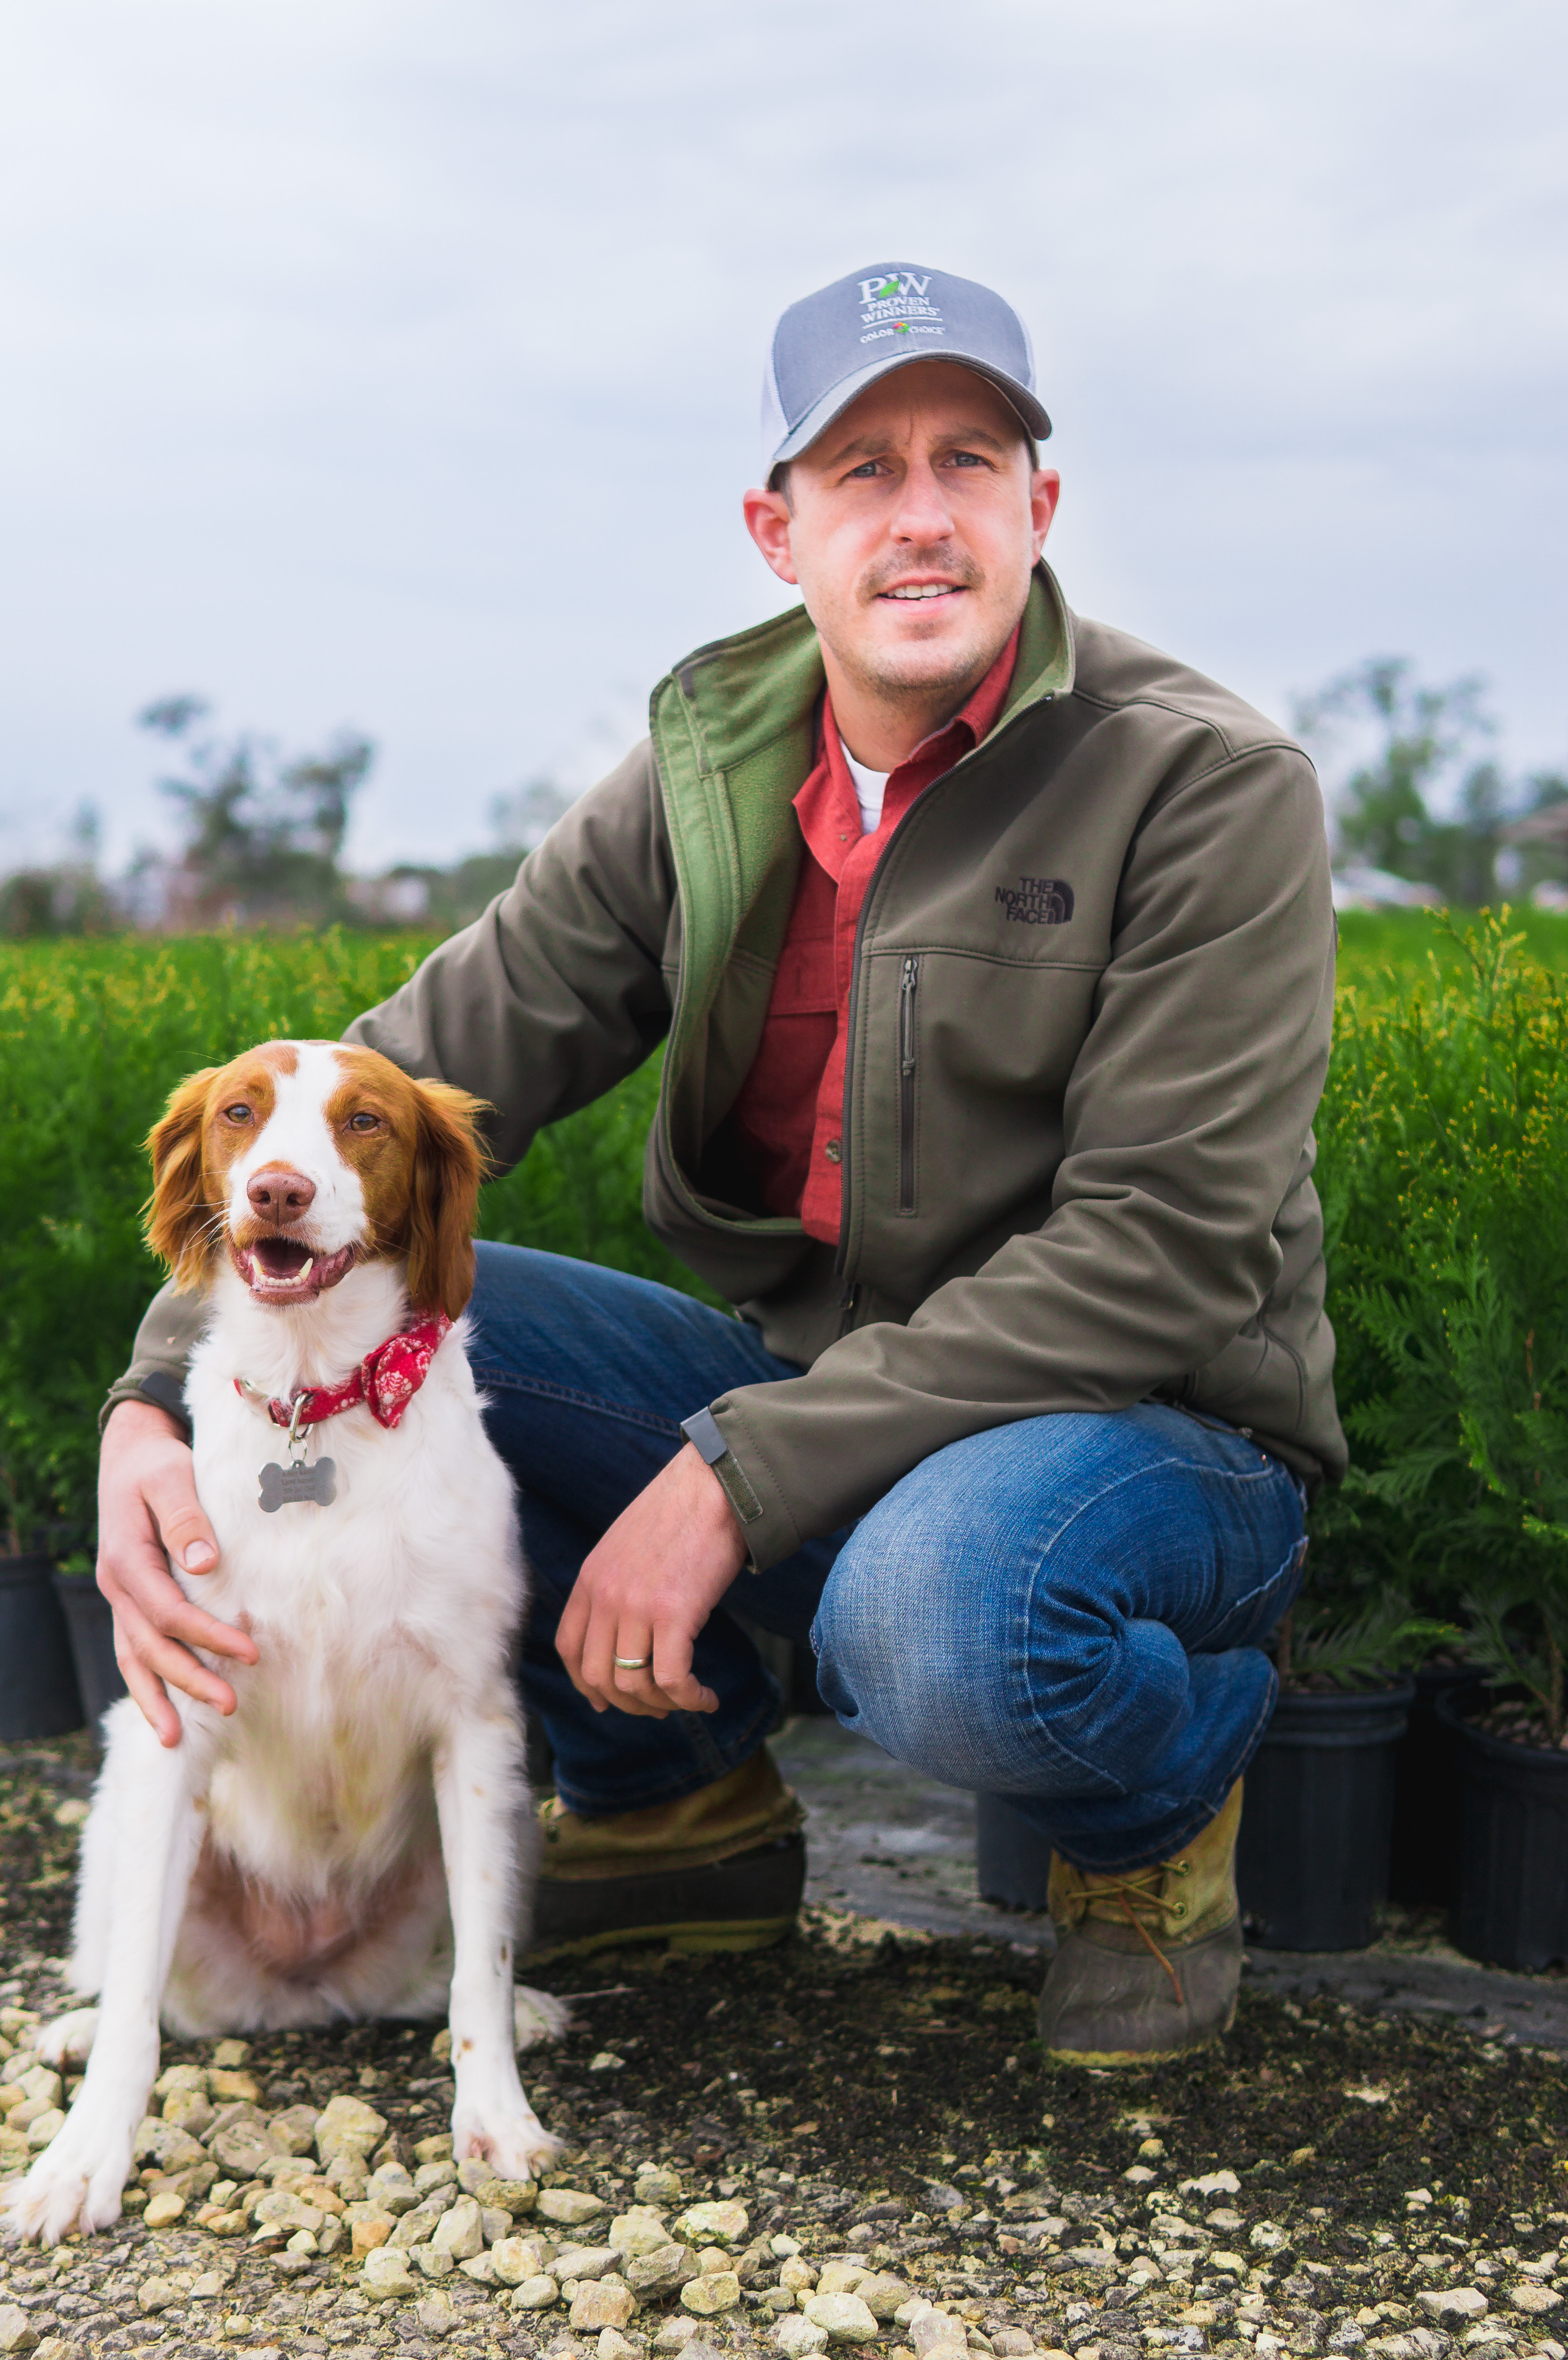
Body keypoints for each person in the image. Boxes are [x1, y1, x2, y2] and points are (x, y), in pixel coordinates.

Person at [95, 261, 1343, 2065]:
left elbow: (1159, 1250)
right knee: (414, 1338)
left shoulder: (1204, 783)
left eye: (967, 463)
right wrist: (159, 1393)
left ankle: (1153, 1821)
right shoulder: (708, 766)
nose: (920, 518)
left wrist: (727, 1476)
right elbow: (413, 1083)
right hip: (825, 1391)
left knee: (945, 1612)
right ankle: (677, 1797)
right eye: (862, 472)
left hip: (1153, 1434)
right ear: (780, 529)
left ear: (1038, 507)